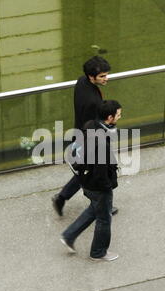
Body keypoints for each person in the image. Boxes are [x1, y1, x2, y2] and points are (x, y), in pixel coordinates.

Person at [52, 56, 118, 217]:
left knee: (85, 171)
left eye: (106, 74)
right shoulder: (92, 103)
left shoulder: (82, 82)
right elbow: (92, 126)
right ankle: (99, 205)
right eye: (102, 76)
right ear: (91, 76)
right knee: (98, 173)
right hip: (89, 140)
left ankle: (62, 198)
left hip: (80, 135)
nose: (106, 79)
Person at [60, 100, 122, 261]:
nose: (120, 117)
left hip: (85, 180)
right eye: (118, 115)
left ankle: (69, 236)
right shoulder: (101, 142)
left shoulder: (90, 125)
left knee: (94, 210)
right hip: (98, 186)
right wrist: (108, 186)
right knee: (104, 219)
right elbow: (101, 172)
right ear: (109, 117)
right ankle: (98, 252)